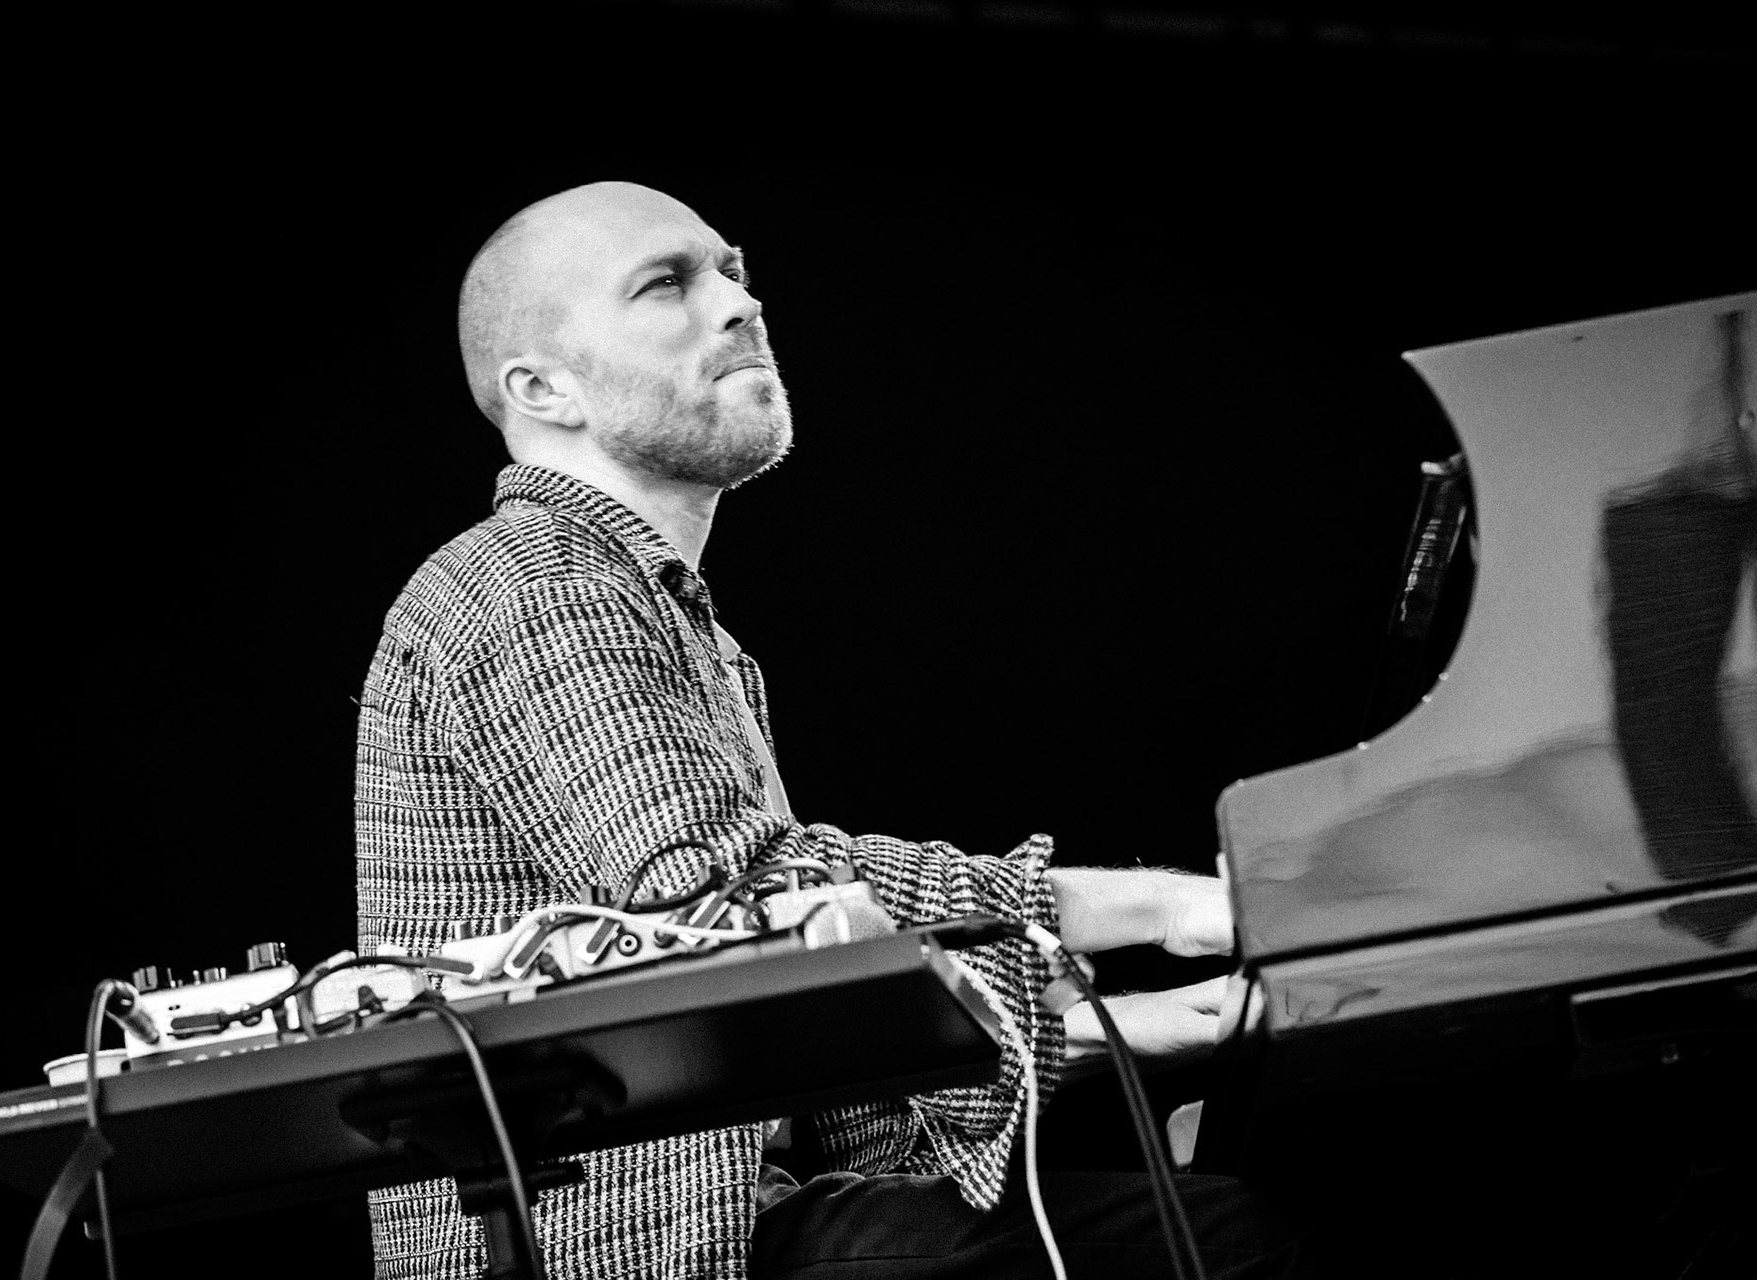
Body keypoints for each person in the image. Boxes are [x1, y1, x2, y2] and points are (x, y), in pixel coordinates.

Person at [354, 180, 1310, 1278]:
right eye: (667, 283)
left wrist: (1119, 1031)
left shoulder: (665, 617)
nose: (737, 304)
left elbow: (815, 1002)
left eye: (733, 270)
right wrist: (1168, 912)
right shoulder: (529, 577)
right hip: (636, 1250)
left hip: (739, 1219)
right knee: (1231, 1240)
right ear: (543, 387)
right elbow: (744, 901)